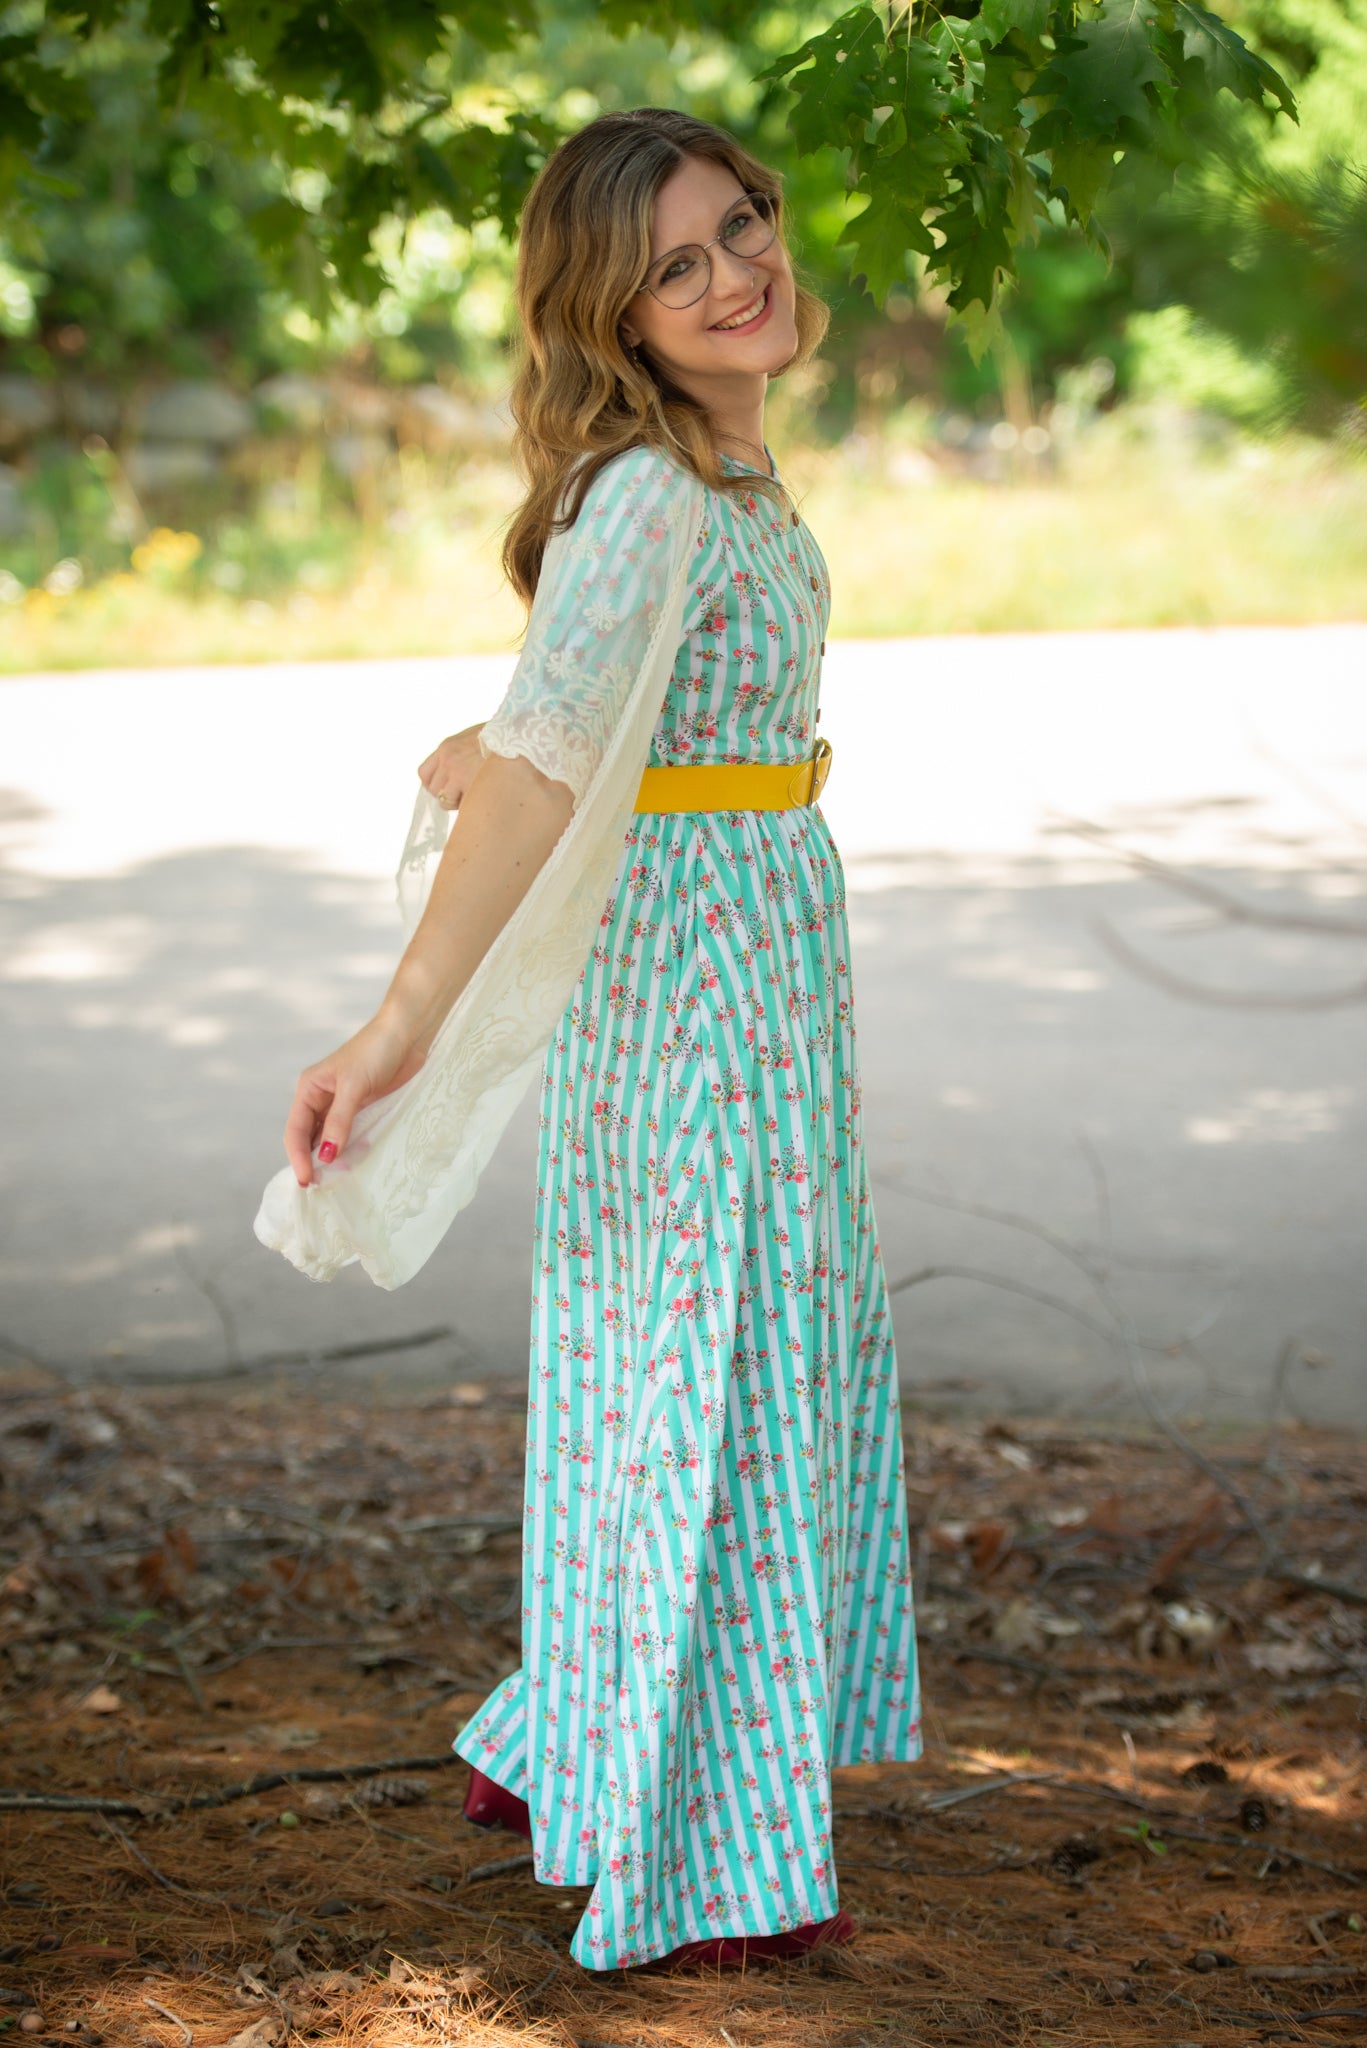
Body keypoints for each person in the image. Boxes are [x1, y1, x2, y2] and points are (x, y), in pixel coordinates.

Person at [269, 106, 921, 1975]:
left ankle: (573, 1733)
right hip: (694, 979)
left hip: (757, 949)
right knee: (700, 1368)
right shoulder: (645, 493)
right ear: (615, 316)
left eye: (743, 227)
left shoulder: (728, 476)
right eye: (675, 268)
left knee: (711, 1351)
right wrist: (399, 1024)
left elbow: (589, 713)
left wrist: (501, 742)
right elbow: (556, 764)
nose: (735, 278)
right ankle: (694, 1843)